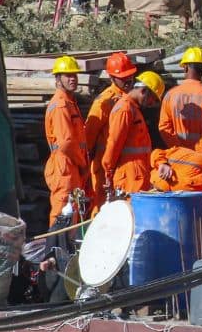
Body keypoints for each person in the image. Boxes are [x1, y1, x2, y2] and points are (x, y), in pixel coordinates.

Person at [149, 146, 202, 249]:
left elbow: (156, 152)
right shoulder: (170, 158)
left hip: (183, 191)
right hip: (183, 191)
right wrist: (162, 163)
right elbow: (156, 152)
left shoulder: (200, 164)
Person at [85, 52, 138, 208]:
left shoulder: (128, 98)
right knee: (102, 205)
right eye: (123, 78)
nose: (128, 81)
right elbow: (89, 134)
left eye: (130, 76)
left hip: (122, 164)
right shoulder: (105, 101)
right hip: (104, 165)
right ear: (112, 78)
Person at [44, 56, 89, 226]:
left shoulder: (70, 103)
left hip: (70, 166)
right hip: (65, 167)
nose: (73, 79)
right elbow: (66, 142)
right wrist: (82, 163)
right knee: (62, 212)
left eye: (74, 75)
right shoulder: (61, 105)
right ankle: (55, 251)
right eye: (67, 75)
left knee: (71, 212)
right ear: (58, 78)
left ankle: (66, 249)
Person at [103, 71, 164, 196]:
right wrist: (108, 172)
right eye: (152, 99)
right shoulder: (125, 109)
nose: (152, 103)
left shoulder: (133, 109)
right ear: (144, 91)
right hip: (129, 177)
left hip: (136, 175)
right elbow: (113, 143)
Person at [158, 46, 202, 160]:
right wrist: (198, 152)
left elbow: (164, 127)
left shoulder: (170, 95)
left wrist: (180, 150)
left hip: (178, 157)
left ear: (185, 68)